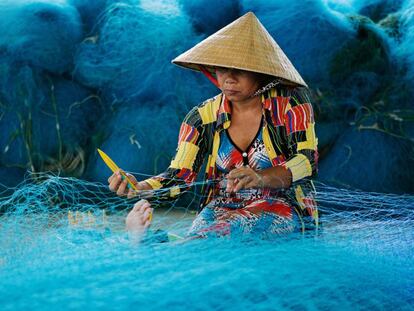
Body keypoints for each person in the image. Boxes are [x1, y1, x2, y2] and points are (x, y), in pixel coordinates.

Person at [108, 12, 319, 242]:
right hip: (222, 207)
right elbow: (179, 176)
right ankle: (152, 242)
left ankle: (150, 243)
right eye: (221, 68)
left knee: (226, 230)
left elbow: (306, 161)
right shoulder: (201, 117)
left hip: (282, 207)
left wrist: (260, 177)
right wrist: (140, 187)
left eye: (240, 69)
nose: (229, 78)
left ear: (262, 72)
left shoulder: (291, 103)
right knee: (203, 232)